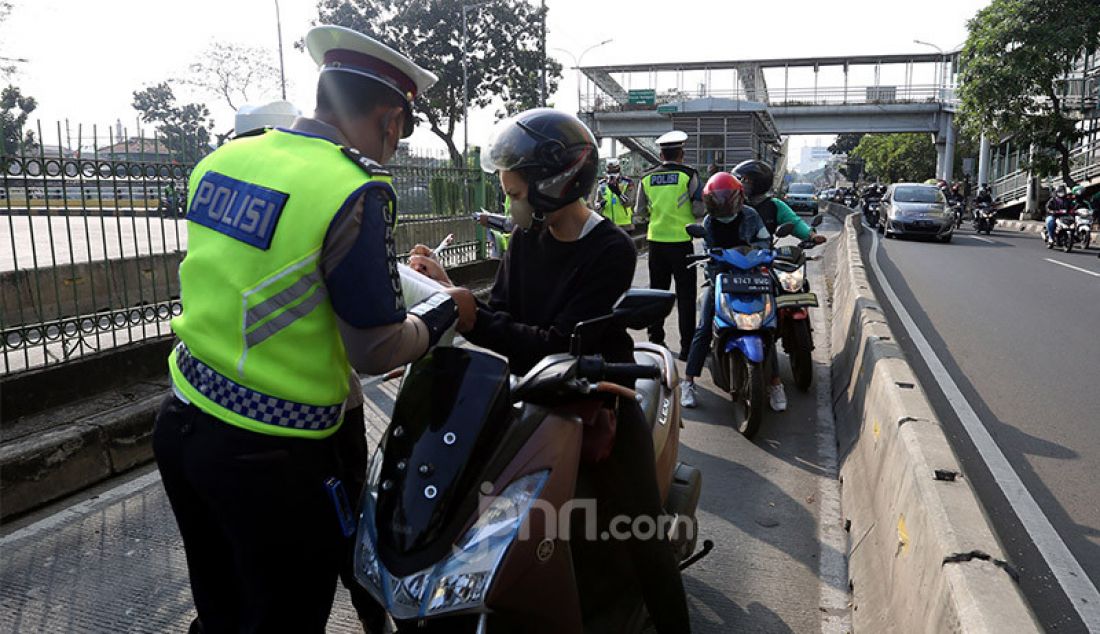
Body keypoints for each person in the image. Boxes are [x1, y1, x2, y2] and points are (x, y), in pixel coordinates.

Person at [152, 25, 476, 634]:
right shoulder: (356, 188)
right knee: (285, 619)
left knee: (222, 609)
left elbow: (273, 271)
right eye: (403, 130)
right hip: (273, 459)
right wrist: (445, 310)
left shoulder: (224, 158)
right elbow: (377, 347)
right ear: (389, 119)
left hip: (183, 423)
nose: (398, 144)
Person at [411, 108, 690, 634]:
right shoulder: (527, 239)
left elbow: (559, 340)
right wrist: (448, 287)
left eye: (516, 194)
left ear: (556, 184)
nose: (510, 204)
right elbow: (508, 311)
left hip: (598, 391)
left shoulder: (609, 249)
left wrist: (475, 314)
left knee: (644, 535)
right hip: (531, 393)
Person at [731, 159, 826, 411]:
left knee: (793, 288)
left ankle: (774, 377)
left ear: (756, 182)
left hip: (765, 263)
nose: (742, 184)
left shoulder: (774, 206)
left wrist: (811, 235)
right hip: (735, 264)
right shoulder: (733, 201)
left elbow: (794, 223)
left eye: (746, 180)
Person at [680, 172, 771, 409]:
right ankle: (688, 382)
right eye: (716, 200)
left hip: (751, 277)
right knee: (703, 328)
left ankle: (776, 382)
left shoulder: (751, 216)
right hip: (720, 280)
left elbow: (764, 240)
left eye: (725, 199)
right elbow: (709, 252)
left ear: (738, 198)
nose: (721, 205)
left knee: (769, 324)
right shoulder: (709, 222)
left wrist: (760, 252)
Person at [635, 130, 704, 361]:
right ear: (681, 153)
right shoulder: (689, 175)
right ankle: (687, 348)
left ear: (661, 153)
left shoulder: (647, 178)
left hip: (656, 243)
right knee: (686, 297)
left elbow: (639, 212)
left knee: (657, 293)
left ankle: (655, 340)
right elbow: (698, 209)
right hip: (682, 243)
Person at [593, 157, 635, 228]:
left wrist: (618, 193)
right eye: (609, 169)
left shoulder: (627, 182)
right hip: (607, 225)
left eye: (614, 169)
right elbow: (596, 204)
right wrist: (600, 204)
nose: (612, 172)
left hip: (625, 224)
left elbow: (629, 203)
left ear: (619, 168)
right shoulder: (602, 184)